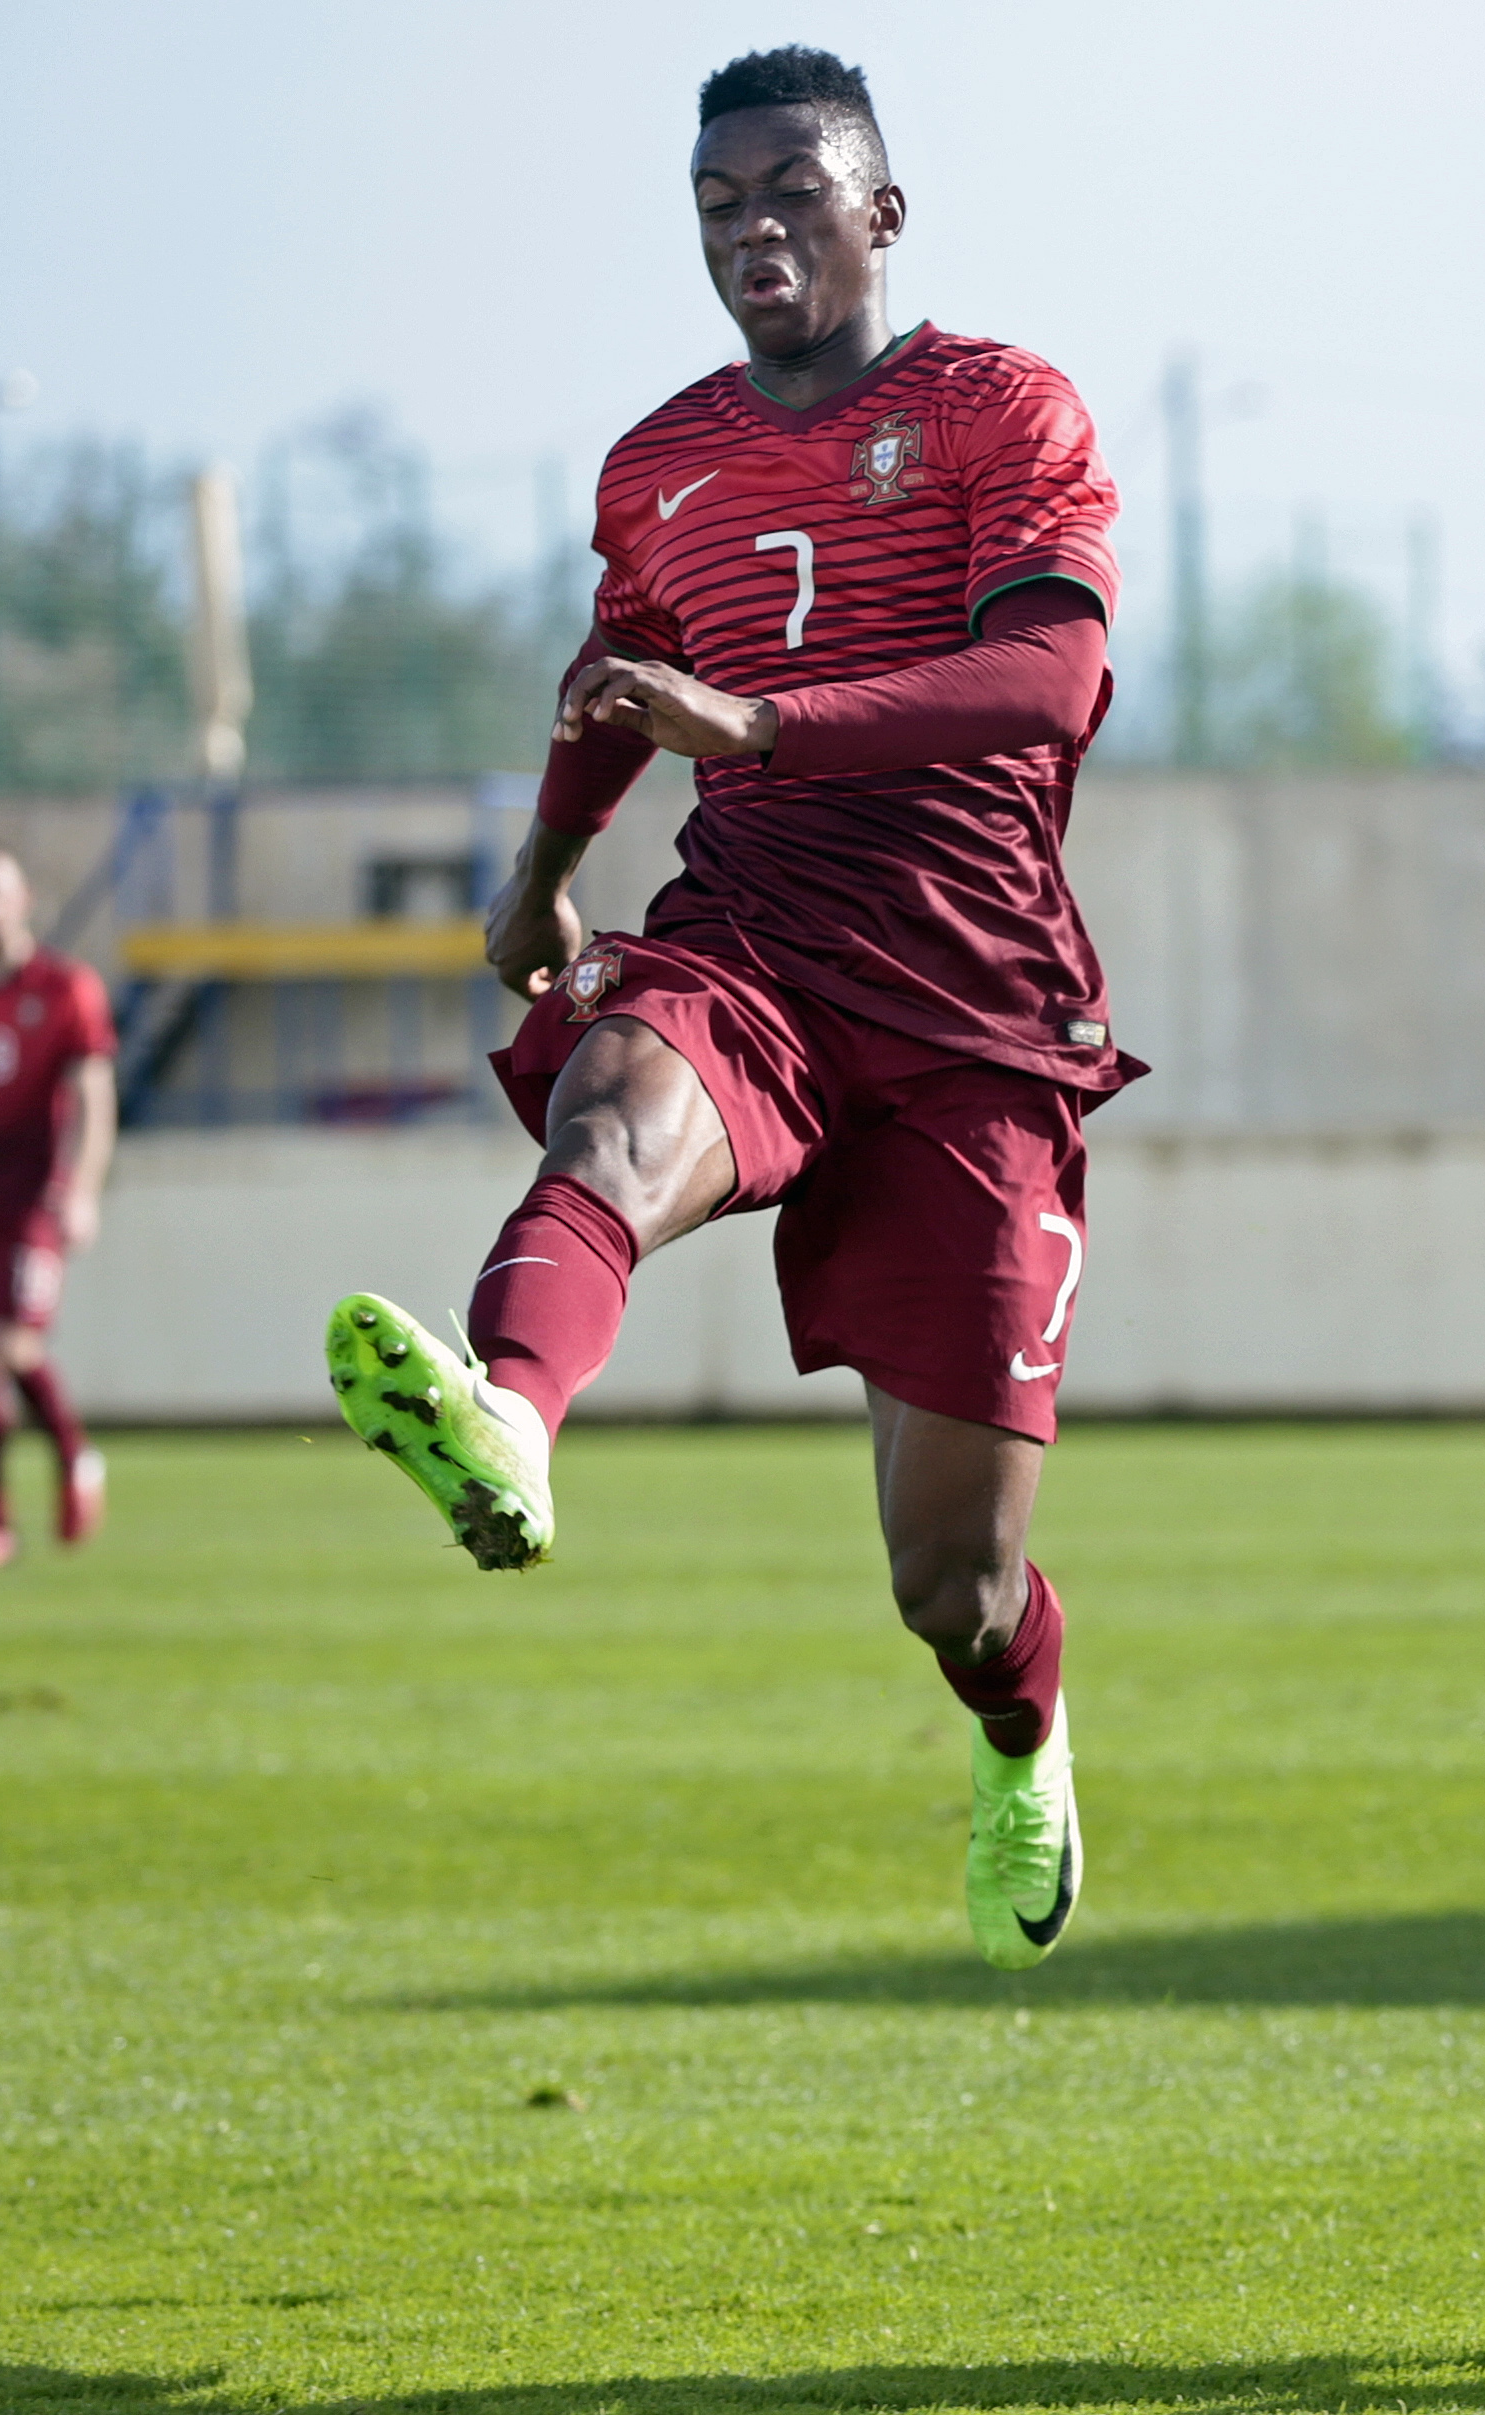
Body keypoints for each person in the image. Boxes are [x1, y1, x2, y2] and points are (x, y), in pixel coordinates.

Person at [321, 47, 1130, 1971]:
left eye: (787, 191)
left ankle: (1023, 1726)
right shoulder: (656, 460)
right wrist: (536, 875)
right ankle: (508, 1420)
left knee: (954, 1577)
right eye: (716, 204)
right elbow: (618, 677)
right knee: (613, 1103)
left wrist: (756, 723)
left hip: (971, 1005)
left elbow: (1047, 683)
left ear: (880, 212)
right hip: (748, 937)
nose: (750, 229)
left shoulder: (997, 408)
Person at [0, 844, 115, 1573]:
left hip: (34, 1194)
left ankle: (77, 1461)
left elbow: (95, 1097)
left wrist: (81, 1189)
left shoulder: (64, 986)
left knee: (12, 1345)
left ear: (25, 899)